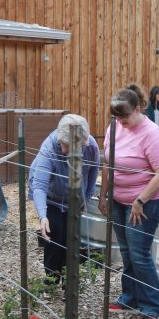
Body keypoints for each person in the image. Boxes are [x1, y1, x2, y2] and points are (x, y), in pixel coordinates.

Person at [100, 84, 159, 319]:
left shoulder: (152, 134)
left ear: (138, 109)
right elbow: (108, 163)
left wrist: (140, 200)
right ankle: (130, 297)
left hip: (147, 201)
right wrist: (103, 195)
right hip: (119, 199)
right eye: (117, 117)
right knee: (126, 250)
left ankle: (153, 306)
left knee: (139, 253)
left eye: (125, 116)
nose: (120, 121)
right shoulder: (114, 127)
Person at [30, 114, 100, 281]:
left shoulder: (90, 146)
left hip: (74, 197)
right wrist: (42, 215)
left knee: (71, 237)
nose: (63, 150)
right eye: (62, 144)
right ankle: (52, 279)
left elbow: (92, 173)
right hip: (52, 196)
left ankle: (69, 281)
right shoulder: (49, 148)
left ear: (82, 143)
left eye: (68, 146)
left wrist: (86, 198)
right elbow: (39, 186)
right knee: (54, 234)